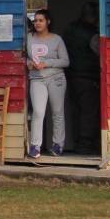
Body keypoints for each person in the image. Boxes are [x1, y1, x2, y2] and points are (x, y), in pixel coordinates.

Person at [27, 9, 69, 158]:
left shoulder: (56, 39)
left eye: (41, 20)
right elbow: (22, 56)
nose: (37, 23)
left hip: (56, 78)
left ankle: (58, 144)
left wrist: (47, 63)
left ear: (48, 22)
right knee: (38, 112)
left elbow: (65, 61)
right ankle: (35, 146)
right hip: (37, 79)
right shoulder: (29, 38)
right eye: (35, 20)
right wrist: (29, 63)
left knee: (57, 112)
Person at [63, 2, 101, 155]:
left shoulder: (70, 30)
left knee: (76, 111)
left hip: (72, 76)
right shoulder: (93, 34)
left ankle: (77, 142)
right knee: (88, 112)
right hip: (88, 76)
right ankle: (85, 144)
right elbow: (99, 52)